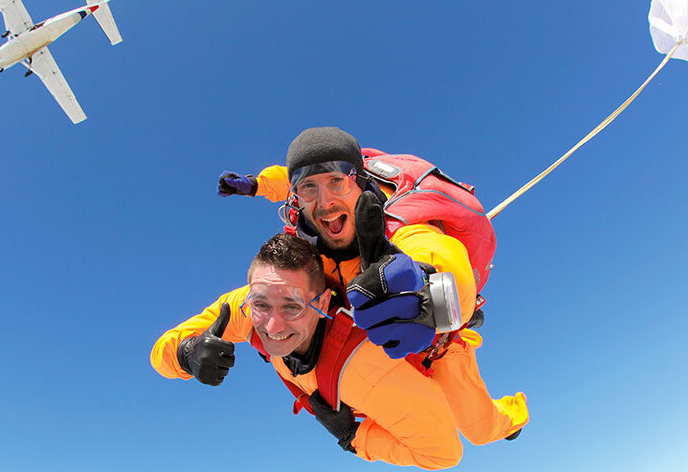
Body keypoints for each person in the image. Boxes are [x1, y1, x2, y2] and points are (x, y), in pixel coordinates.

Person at [215, 126, 528, 440]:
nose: (324, 202)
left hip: (435, 348)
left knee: (480, 429)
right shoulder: (301, 254)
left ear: (359, 181)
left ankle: (514, 414)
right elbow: (288, 178)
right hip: (375, 343)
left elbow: (441, 255)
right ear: (296, 197)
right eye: (308, 188)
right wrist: (257, 184)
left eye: (337, 182)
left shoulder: (402, 224)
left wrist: (424, 289)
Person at [151, 232, 522, 469]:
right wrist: (187, 351)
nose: (272, 326)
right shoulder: (245, 309)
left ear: (323, 301)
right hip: (358, 384)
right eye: (261, 303)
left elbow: (443, 455)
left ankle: (515, 415)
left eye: (293, 307)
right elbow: (161, 351)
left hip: (433, 356)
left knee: (480, 428)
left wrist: (354, 439)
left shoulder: (370, 376)